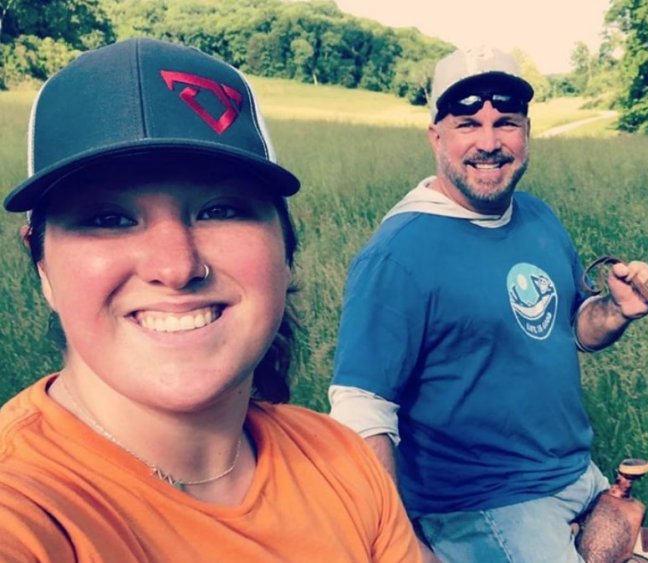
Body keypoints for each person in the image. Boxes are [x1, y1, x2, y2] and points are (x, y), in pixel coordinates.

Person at [0, 37, 420, 561]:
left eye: (220, 210)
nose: (177, 268)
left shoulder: (342, 461)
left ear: (286, 246)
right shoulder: (26, 508)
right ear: (41, 266)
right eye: (108, 219)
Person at [329, 45, 648, 562]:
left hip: (577, 474)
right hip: (482, 505)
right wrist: (400, 544)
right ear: (436, 136)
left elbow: (572, 327)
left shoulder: (536, 217)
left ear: (526, 132)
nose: (489, 143)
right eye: (467, 124)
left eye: (505, 122)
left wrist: (614, 309)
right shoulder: (399, 254)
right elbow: (361, 411)